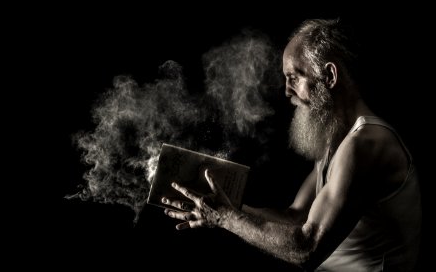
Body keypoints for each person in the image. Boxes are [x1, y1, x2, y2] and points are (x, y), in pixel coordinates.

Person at [161, 18, 422, 271]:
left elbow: (306, 247)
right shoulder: (336, 143)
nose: (287, 91)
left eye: (294, 77)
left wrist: (224, 216)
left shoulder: (365, 145)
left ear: (330, 76)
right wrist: (222, 207)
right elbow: (295, 217)